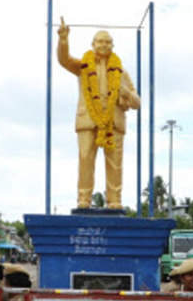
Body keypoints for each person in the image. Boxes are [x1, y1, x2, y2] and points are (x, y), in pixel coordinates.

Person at [57, 17, 141, 209]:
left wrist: (126, 92)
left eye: (107, 42)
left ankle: (114, 200)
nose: (103, 45)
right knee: (86, 160)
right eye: (100, 41)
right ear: (93, 44)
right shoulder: (83, 66)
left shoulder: (122, 73)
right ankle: (84, 199)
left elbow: (137, 103)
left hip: (114, 123)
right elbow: (64, 60)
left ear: (112, 45)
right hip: (87, 121)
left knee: (115, 164)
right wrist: (63, 40)